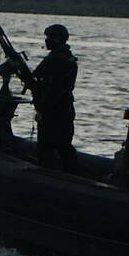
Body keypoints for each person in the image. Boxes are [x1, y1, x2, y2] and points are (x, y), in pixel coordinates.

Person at [29, 23, 78, 172]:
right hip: (63, 109)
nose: (46, 41)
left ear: (56, 40)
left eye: (48, 38)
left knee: (47, 147)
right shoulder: (68, 58)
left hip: (53, 110)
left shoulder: (57, 59)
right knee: (63, 145)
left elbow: (37, 76)